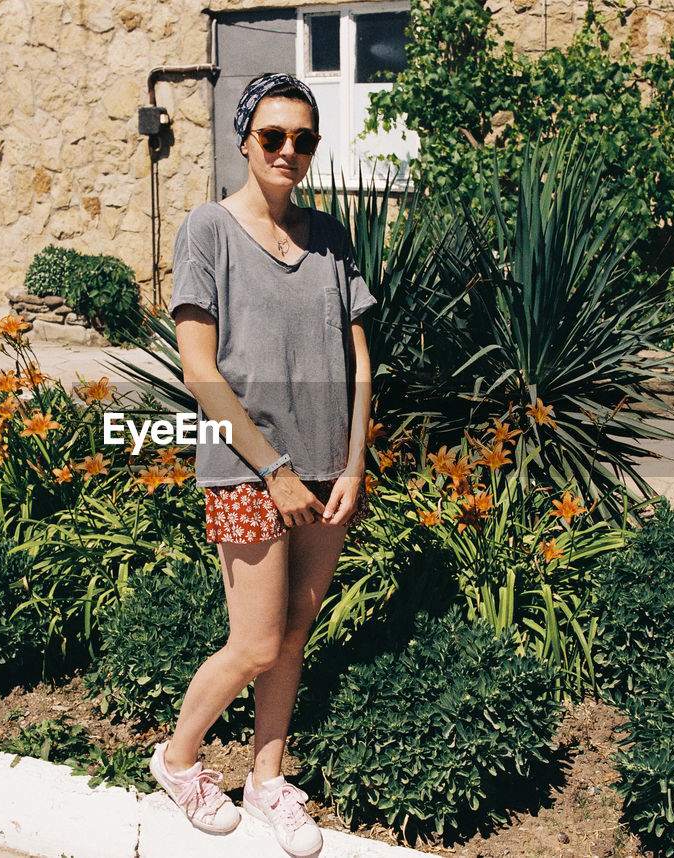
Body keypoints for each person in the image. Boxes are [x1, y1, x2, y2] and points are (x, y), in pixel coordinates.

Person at [146, 73, 375, 858]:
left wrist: (351, 465)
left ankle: (266, 779)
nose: (289, 151)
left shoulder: (330, 238)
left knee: (295, 631)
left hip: (325, 471)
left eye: (303, 139)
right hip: (248, 469)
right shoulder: (208, 229)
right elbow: (200, 370)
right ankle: (177, 762)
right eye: (273, 136)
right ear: (245, 139)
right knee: (253, 644)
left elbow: (360, 363)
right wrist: (274, 468)